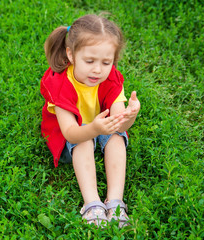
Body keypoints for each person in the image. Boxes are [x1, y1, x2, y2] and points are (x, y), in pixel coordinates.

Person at [40, 14, 141, 227]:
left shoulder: (110, 78)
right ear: (71, 55)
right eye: (90, 61)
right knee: (85, 138)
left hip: (99, 125)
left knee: (116, 135)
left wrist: (129, 117)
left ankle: (115, 202)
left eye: (106, 62)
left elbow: (118, 123)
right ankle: (92, 204)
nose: (97, 70)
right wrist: (93, 129)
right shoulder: (61, 84)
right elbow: (70, 132)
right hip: (69, 138)